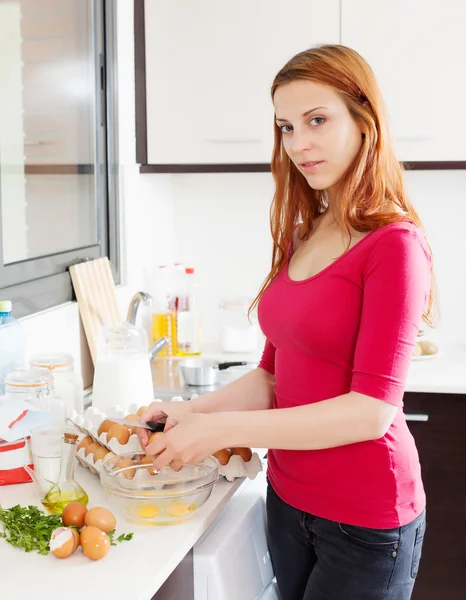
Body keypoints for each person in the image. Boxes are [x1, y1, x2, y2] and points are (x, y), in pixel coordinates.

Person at [138, 45, 435, 600]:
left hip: (367, 518)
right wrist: (190, 412)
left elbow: (370, 413)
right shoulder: (303, 232)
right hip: (289, 499)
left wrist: (220, 431)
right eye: (286, 126)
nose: (298, 143)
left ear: (363, 121)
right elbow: (271, 375)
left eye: (317, 120)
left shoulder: (394, 246)